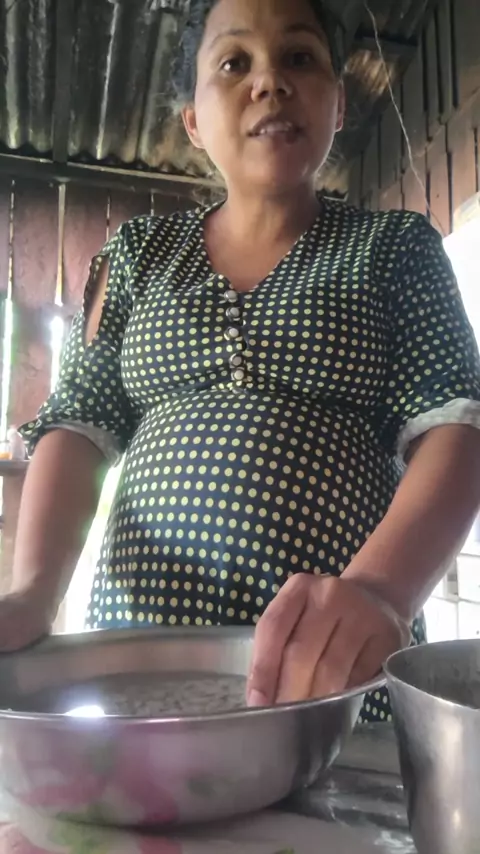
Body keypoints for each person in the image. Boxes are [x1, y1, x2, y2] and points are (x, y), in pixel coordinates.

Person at [3, 0, 480, 722]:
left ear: (338, 103)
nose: (268, 81)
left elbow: (455, 425)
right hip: (143, 660)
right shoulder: (138, 255)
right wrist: (32, 593)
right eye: (234, 63)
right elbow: (76, 425)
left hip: (332, 667)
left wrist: (381, 591)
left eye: (299, 58)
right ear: (194, 121)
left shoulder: (394, 247)